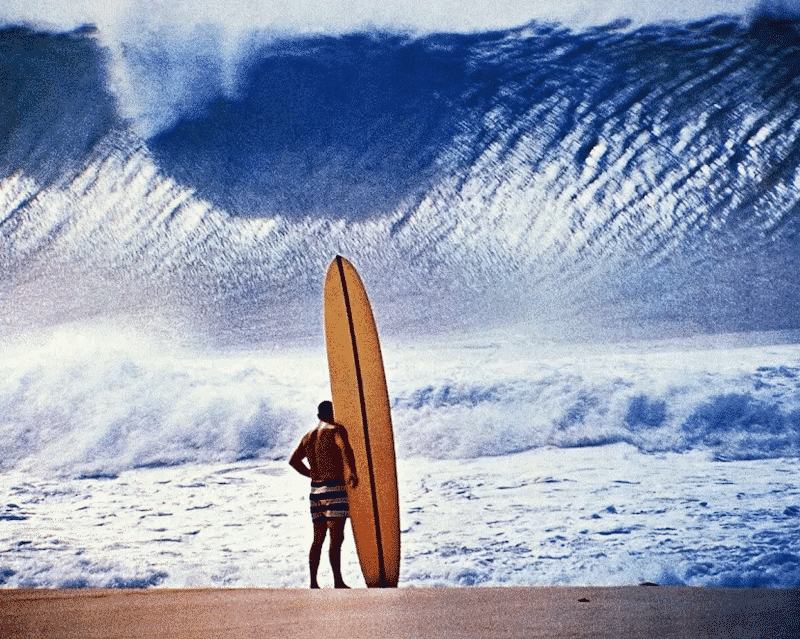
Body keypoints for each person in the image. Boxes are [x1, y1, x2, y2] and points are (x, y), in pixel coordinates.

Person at [289, 400, 359, 589]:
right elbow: (345, 449)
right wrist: (352, 472)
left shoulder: (308, 436)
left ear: (319, 415)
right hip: (334, 489)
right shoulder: (336, 429)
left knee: (318, 538)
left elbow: (294, 461)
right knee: (336, 538)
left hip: (315, 491)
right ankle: (337, 581)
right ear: (332, 413)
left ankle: (313, 582)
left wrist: (311, 473)